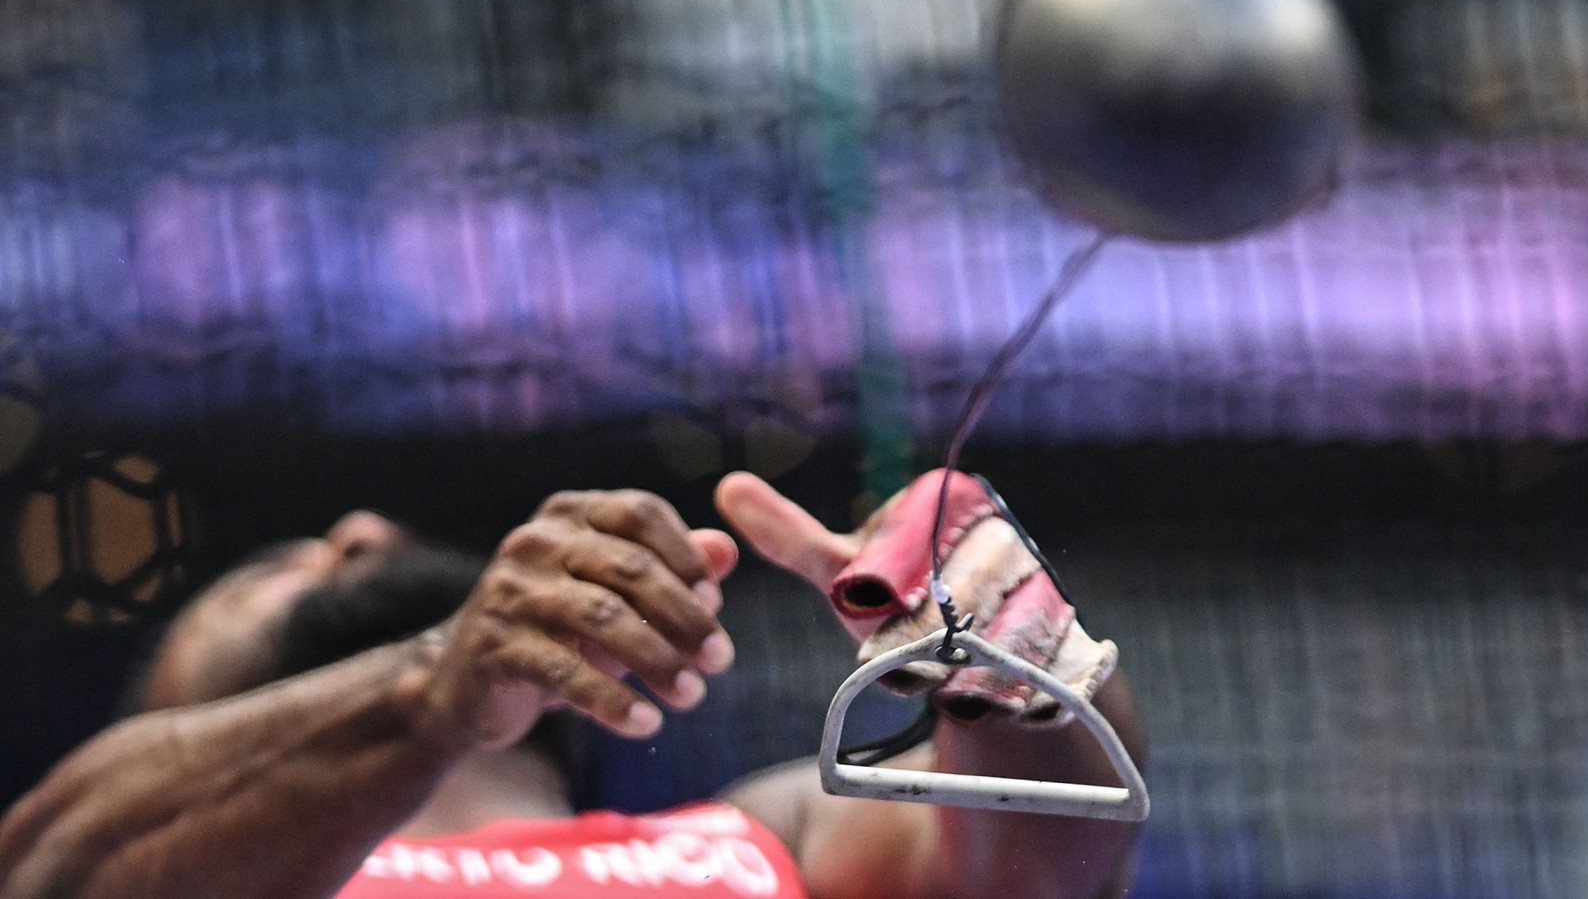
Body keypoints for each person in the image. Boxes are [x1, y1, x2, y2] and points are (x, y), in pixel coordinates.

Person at [0, 469, 1146, 899]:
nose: (356, 526)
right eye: (263, 576)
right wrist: (425, 692)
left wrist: (1006, 650)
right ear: (181, 730)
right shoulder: (145, 842)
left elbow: (1045, 866)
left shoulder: (762, 833)